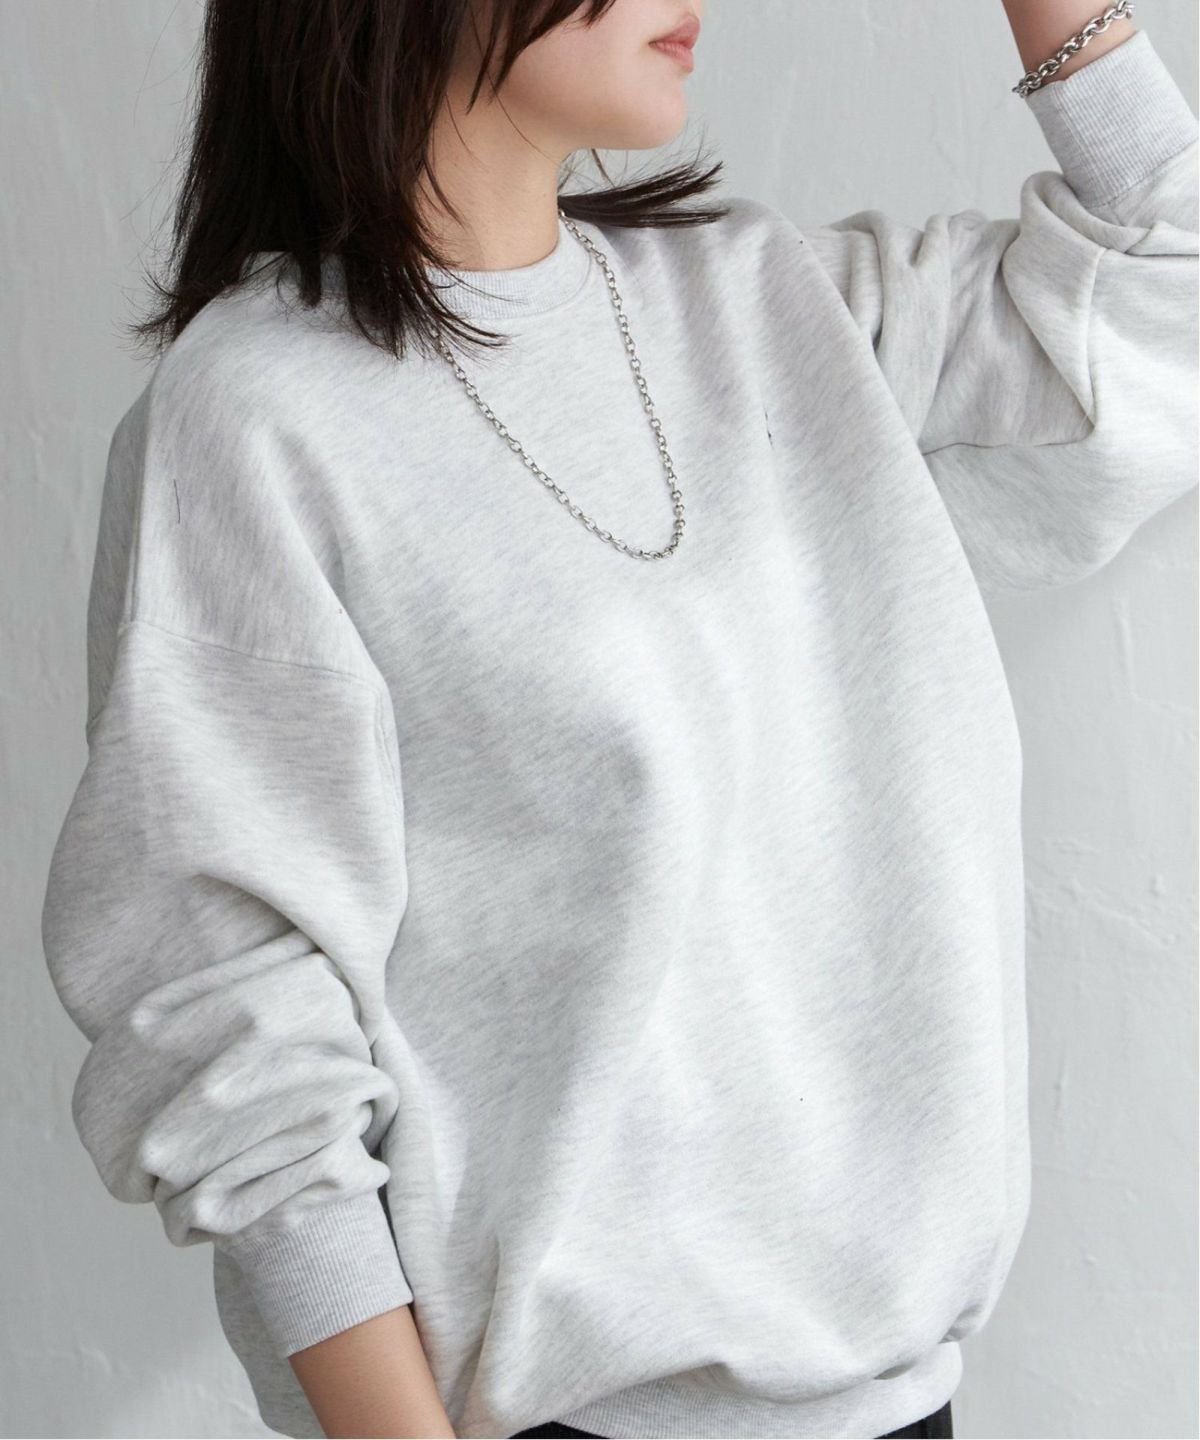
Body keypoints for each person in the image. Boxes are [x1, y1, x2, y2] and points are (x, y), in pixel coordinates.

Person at [39, 0, 1196, 1437]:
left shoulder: (779, 306)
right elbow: (228, 1009)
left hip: (900, 1397)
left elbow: (1171, 280)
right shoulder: (257, 413)